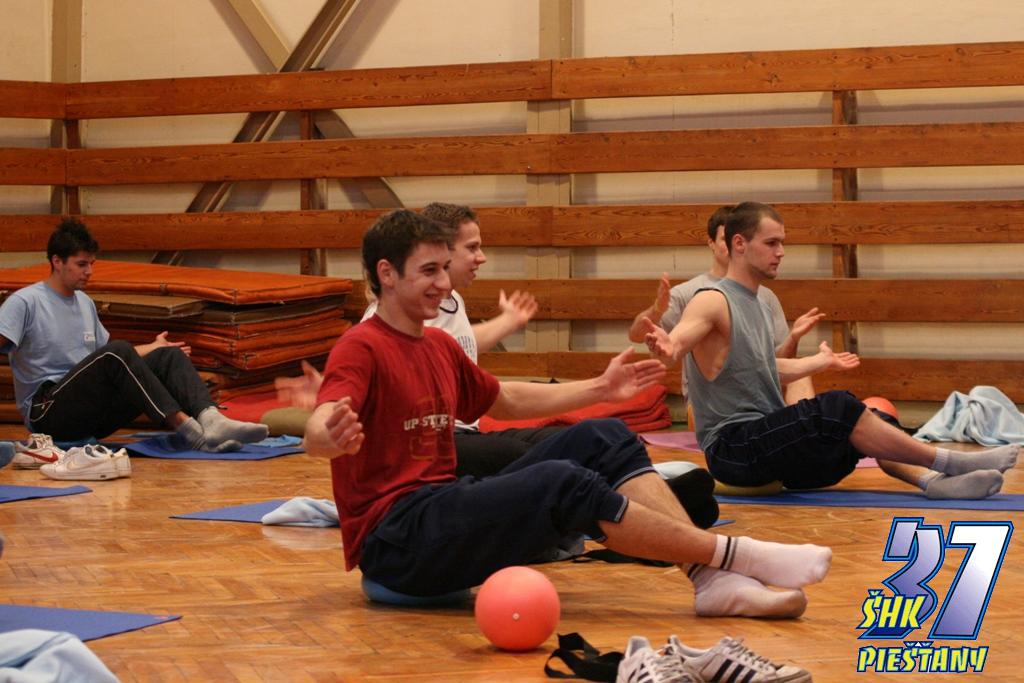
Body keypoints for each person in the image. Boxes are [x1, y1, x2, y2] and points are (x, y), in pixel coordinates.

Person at [302, 209, 836, 619]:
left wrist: (600, 389)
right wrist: (328, 435)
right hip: (397, 542)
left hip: (441, 507)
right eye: (429, 271)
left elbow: (506, 400)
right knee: (561, 480)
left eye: (445, 268)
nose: (444, 283)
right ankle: (740, 556)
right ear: (387, 273)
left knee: (603, 435)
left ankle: (710, 579)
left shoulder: (437, 345)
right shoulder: (362, 346)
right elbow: (318, 427)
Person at [643, 202, 1018, 499]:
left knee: (872, 418)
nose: (781, 252)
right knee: (838, 407)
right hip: (733, 450)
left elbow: (765, 369)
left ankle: (932, 481)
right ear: (739, 244)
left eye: (782, 243)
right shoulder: (712, 300)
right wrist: (666, 345)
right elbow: (678, 344)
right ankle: (951, 462)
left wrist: (818, 361)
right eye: (771, 243)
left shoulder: (758, 302)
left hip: (771, 451)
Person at [0, 218, 268, 452]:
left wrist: (154, 347)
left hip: (90, 412)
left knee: (168, 354)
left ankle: (211, 420)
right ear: (57, 261)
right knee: (118, 349)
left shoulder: (84, 303)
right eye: (81, 264)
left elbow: (108, 361)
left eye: (91, 264)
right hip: (48, 414)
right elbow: (113, 356)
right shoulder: (25, 301)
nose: (89, 272)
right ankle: (191, 432)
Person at [361, 202, 557, 479]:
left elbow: (459, 345)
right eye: (472, 248)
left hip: (462, 431)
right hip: (428, 442)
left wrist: (508, 322)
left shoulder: (449, 302)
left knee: (564, 442)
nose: (481, 257)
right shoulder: (390, 322)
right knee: (532, 459)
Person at [628, 205, 822, 410]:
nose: (780, 252)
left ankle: (804, 424)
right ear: (712, 243)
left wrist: (795, 339)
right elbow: (646, 339)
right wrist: (658, 311)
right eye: (724, 239)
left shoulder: (764, 298)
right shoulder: (696, 295)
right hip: (719, 403)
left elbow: (774, 364)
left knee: (805, 378)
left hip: (757, 394)